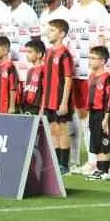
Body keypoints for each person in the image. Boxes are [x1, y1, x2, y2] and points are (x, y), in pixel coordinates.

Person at [41, 18, 76, 172]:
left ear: (62, 34)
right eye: (49, 30)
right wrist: (43, 103)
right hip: (49, 99)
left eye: (53, 30)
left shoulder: (65, 53)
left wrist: (64, 102)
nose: (49, 33)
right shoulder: (48, 52)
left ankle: (64, 164)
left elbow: (68, 78)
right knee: (53, 129)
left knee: (62, 129)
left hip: (60, 98)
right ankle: (55, 162)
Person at [79, 47, 110, 177]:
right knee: (95, 141)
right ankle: (99, 168)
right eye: (89, 58)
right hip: (93, 112)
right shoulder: (92, 76)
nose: (90, 61)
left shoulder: (107, 77)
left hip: (102, 113)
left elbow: (109, 99)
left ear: (103, 61)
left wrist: (106, 118)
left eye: (93, 58)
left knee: (103, 141)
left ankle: (104, 170)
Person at [0, 37, 21, 114]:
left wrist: (12, 106)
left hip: (5, 107)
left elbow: (13, 87)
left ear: (5, 50)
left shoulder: (10, 66)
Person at [21, 39, 46, 115]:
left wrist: (42, 108)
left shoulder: (44, 69)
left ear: (39, 54)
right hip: (27, 106)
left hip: (36, 107)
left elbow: (45, 91)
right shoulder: (30, 70)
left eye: (30, 52)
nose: (27, 55)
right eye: (26, 52)